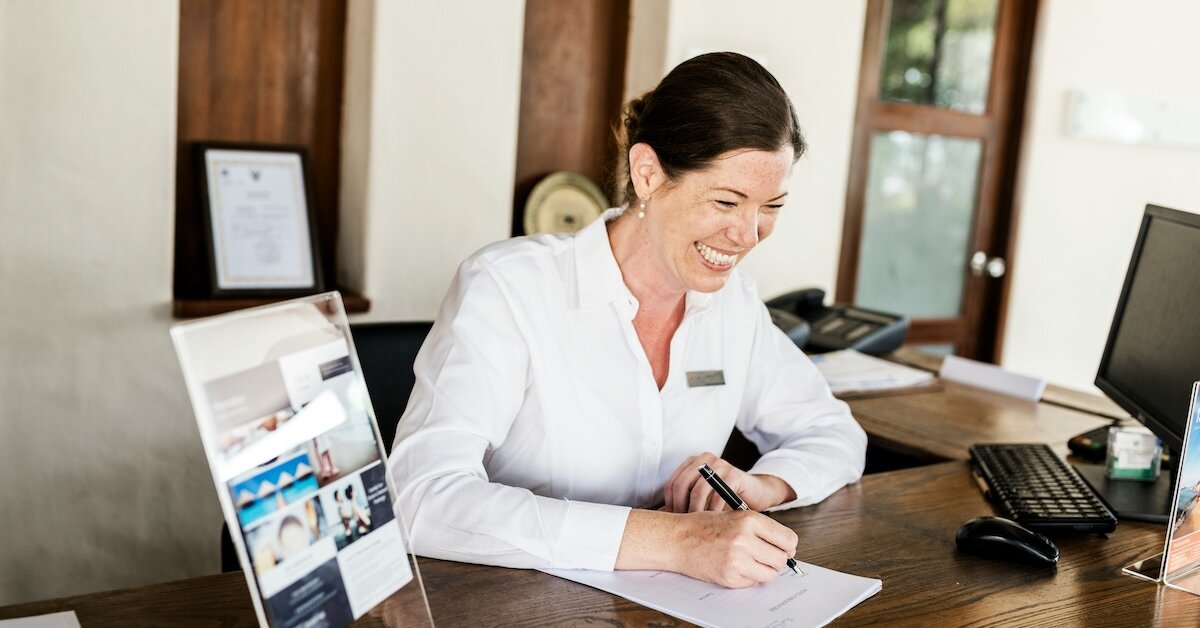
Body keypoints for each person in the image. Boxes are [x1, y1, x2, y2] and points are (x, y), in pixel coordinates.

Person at [388, 52, 866, 589]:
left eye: (771, 206)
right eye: (728, 201)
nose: (749, 234)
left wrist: (766, 485)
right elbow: (419, 497)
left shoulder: (734, 306)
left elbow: (834, 433)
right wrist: (673, 541)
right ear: (647, 173)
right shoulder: (507, 288)